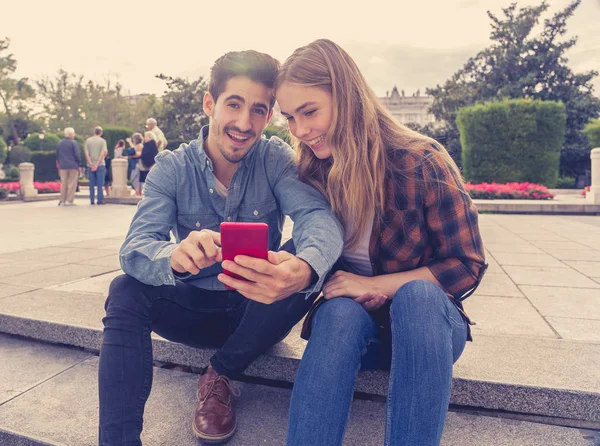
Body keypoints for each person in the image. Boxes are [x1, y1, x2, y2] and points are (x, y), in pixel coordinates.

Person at [98, 49, 344, 445]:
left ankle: (220, 373)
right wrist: (173, 258)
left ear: (269, 115)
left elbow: (318, 218)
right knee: (124, 289)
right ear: (209, 103)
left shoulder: (277, 159)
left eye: (259, 111)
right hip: (191, 307)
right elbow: (136, 247)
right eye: (234, 104)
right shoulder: (171, 167)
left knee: (314, 254)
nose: (245, 124)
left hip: (260, 307)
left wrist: (302, 269)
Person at [275, 39, 487, 446]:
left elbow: (466, 264)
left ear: (347, 96)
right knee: (337, 313)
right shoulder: (311, 170)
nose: (300, 131)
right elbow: (315, 252)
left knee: (419, 298)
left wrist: (375, 286)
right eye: (289, 118)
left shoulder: (421, 161)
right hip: (354, 331)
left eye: (310, 112)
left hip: (427, 333)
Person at [56, 127, 81, 206]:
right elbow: (77, 155)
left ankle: (62, 200)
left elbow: (57, 155)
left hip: (63, 166)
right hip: (73, 166)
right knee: (72, 183)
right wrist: (79, 164)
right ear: (70, 134)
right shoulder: (73, 143)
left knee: (64, 183)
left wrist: (59, 164)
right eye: (73, 134)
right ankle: (69, 200)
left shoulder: (59, 143)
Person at [84, 126, 108, 205]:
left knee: (91, 184)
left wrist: (91, 164)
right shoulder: (102, 141)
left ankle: (91, 200)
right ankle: (99, 200)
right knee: (100, 184)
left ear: (94, 132)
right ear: (101, 133)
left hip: (90, 165)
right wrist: (97, 164)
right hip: (100, 165)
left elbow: (86, 153)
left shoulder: (88, 141)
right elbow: (103, 153)